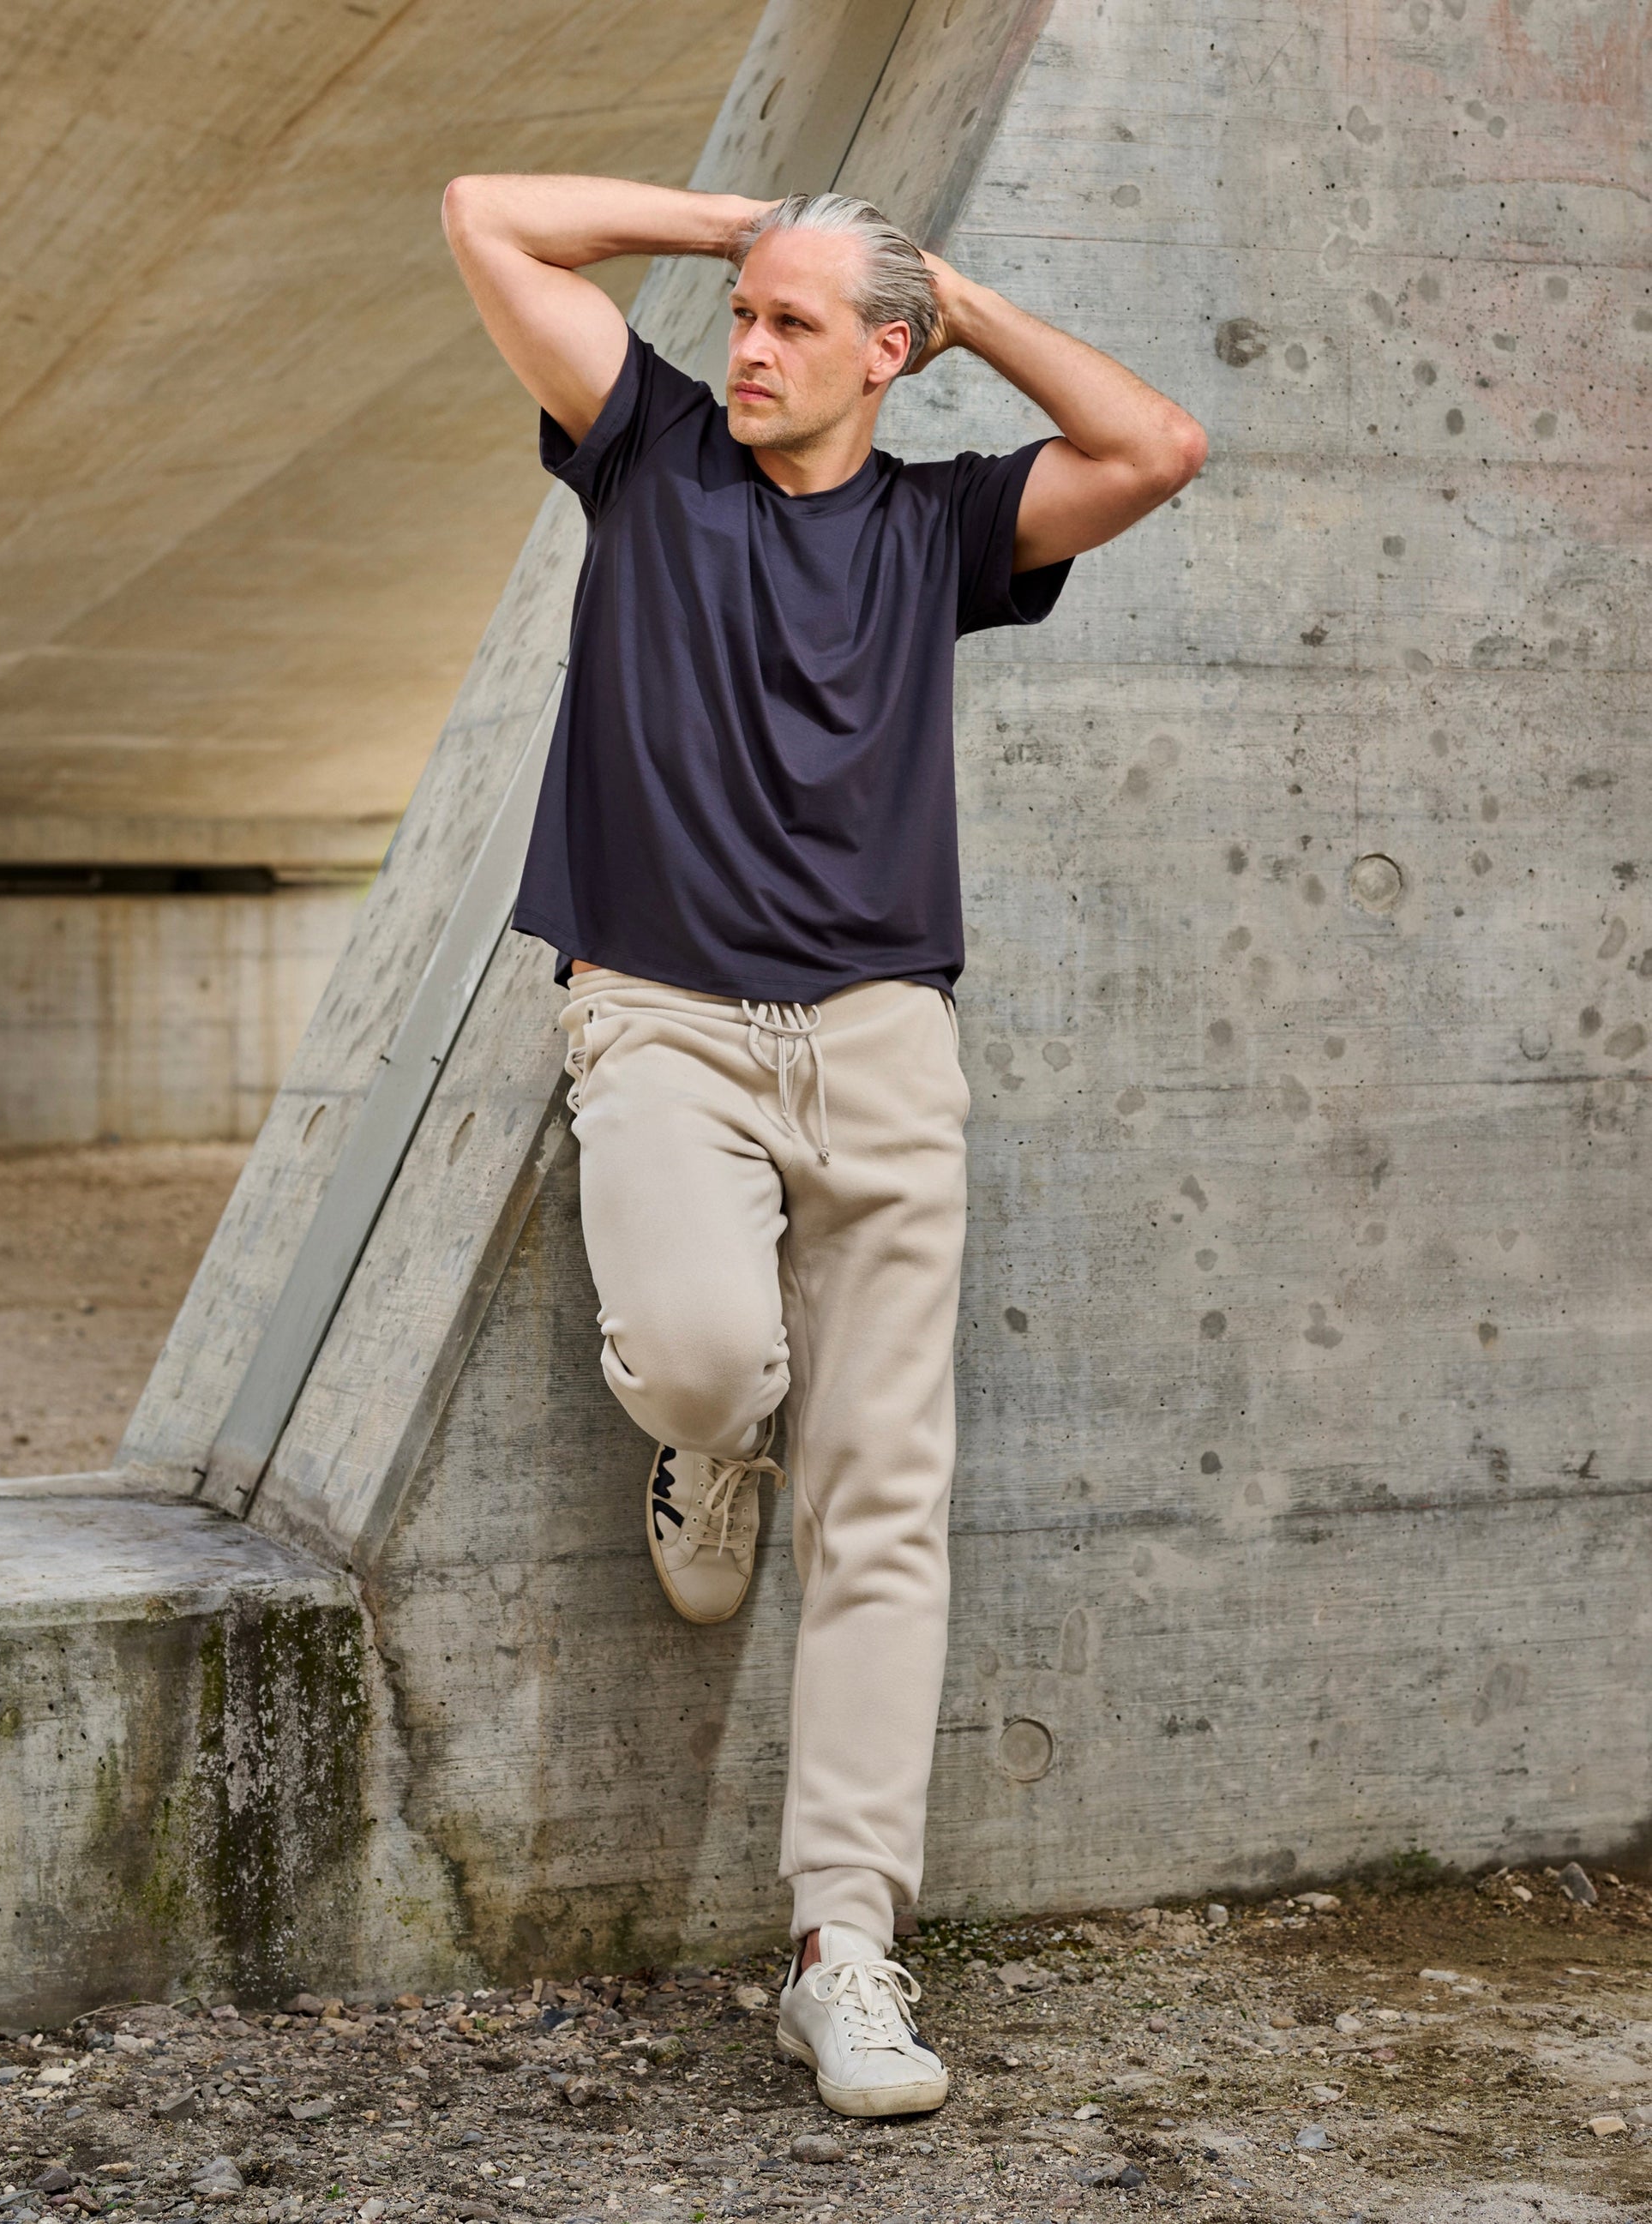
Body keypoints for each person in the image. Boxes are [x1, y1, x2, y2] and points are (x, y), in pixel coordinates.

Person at [442, 169, 1206, 2117]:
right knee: (711, 1355)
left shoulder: (940, 526)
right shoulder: (650, 451)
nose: (749, 346)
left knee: (883, 1501)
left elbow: (1155, 446)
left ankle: (840, 1946)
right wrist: (732, 227)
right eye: (743, 313)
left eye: (795, 322)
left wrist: (957, 296)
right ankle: (708, 1447)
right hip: (662, 1019)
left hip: (881, 1043)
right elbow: (483, 215)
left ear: (887, 354)